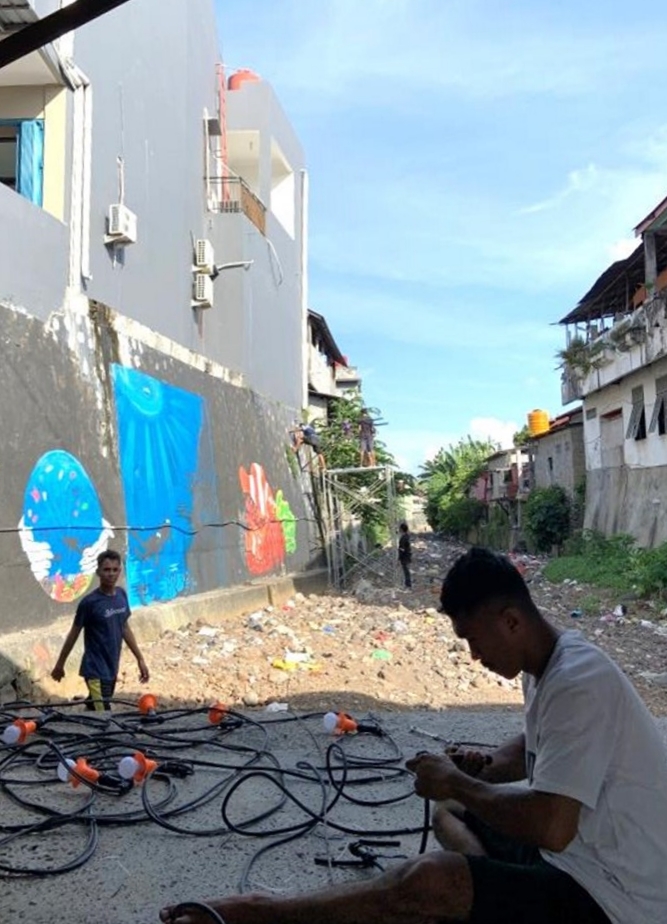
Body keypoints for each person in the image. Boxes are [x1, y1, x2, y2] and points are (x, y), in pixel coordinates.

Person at [159, 546, 667, 924]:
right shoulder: (553, 662)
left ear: (510, 621)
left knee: (429, 879)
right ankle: (497, 903)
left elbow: (551, 827)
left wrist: (457, 781)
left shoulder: (577, 682)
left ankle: (260, 913)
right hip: (580, 858)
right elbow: (538, 743)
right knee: (450, 817)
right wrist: (485, 764)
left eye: (473, 640)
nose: (474, 658)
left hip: (616, 896)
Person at [51, 550, 149, 710]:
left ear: (120, 571)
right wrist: (60, 664)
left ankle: (84, 721)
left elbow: (124, 627)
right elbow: (73, 634)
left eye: (115, 570)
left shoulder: (121, 596)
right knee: (103, 711)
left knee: (97, 705)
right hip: (94, 669)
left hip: (112, 666)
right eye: (106, 570)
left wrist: (140, 659)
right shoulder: (89, 603)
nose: (111, 574)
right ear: (98, 572)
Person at [397, 522, 412, 589]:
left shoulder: (403, 538)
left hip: (404, 557)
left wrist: (399, 558)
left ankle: (408, 585)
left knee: (406, 571)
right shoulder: (407, 536)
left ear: (402, 529)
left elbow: (402, 549)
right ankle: (407, 584)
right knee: (406, 571)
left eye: (400, 528)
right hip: (407, 555)